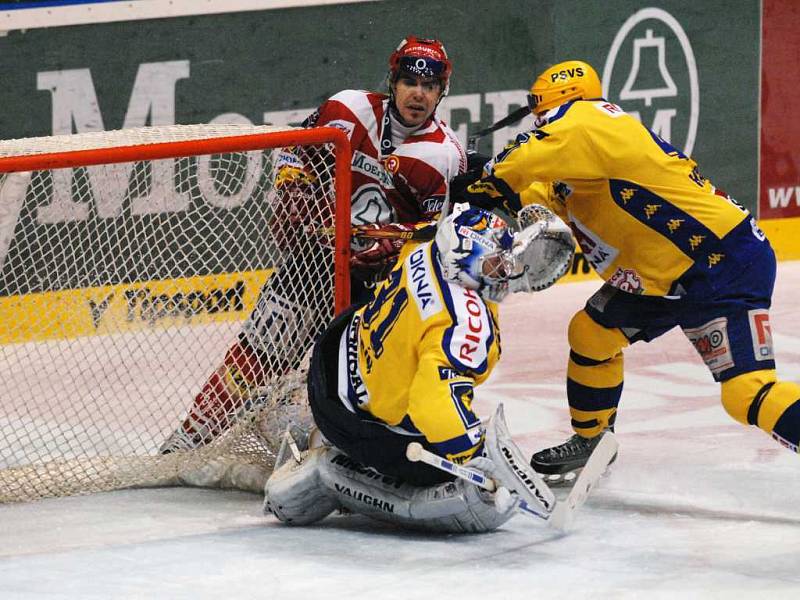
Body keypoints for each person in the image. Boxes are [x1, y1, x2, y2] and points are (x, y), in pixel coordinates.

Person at [456, 60, 800, 484]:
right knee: (591, 333)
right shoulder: (582, 154)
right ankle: (593, 441)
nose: (538, 119)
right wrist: (480, 177)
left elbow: (525, 158)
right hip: (664, 274)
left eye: (538, 110)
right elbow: (537, 196)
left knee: (746, 392)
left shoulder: (588, 119)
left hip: (717, 264)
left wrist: (482, 178)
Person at [160, 36, 467, 453]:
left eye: (429, 86)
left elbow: (435, 237)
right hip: (314, 260)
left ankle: (346, 452)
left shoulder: (444, 156)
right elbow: (299, 148)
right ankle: (188, 439)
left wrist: (391, 244)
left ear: (441, 92)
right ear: (392, 81)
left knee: (355, 381)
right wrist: (293, 188)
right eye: (409, 81)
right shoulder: (348, 109)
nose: (418, 93)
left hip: (377, 286)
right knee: (258, 354)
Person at [263, 204, 575, 532]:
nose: (507, 272)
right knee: (453, 480)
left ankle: (332, 436)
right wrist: (475, 455)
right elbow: (433, 404)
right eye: (495, 263)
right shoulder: (464, 325)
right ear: (464, 261)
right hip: (351, 418)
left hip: (333, 354)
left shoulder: (425, 248)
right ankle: (332, 474)